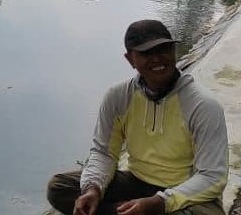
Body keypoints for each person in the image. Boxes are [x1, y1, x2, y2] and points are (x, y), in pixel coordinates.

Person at [47, 19, 228, 215]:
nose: (157, 59)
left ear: (173, 51)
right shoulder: (118, 97)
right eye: (146, 53)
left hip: (185, 191)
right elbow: (104, 153)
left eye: (163, 49)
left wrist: (160, 202)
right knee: (60, 187)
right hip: (137, 182)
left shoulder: (202, 105)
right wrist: (93, 188)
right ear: (130, 59)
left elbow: (212, 176)